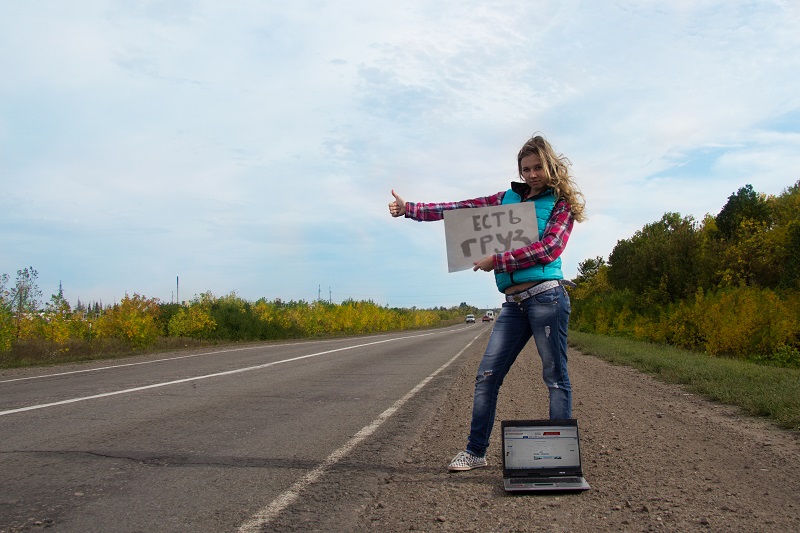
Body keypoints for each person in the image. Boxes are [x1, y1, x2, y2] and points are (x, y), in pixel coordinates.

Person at [388, 134, 586, 472]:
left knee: (555, 377)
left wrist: (500, 261)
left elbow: (550, 249)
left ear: (550, 165)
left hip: (547, 297)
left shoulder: (561, 203)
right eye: (526, 169)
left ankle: (560, 460)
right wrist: (411, 210)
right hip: (513, 303)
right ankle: (476, 452)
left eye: (538, 167)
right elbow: (461, 210)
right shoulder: (506, 198)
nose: (533, 174)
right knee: (486, 377)